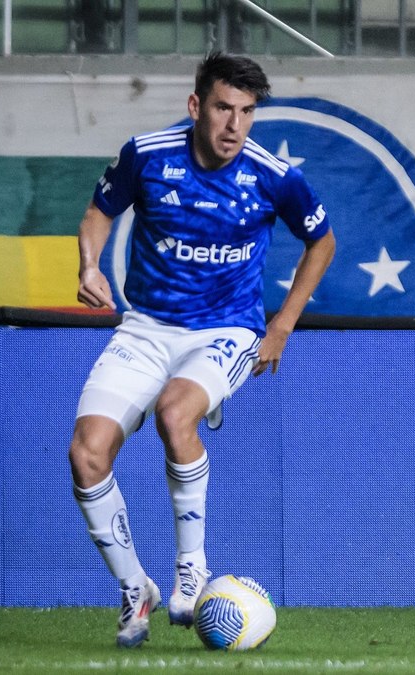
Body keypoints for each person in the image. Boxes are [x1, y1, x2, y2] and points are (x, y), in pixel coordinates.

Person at [68, 52, 335, 648]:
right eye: (222, 108)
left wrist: (282, 326)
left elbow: (323, 241)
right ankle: (136, 588)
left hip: (227, 331)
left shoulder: (273, 176)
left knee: (174, 412)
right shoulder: (147, 154)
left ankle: (193, 568)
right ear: (196, 107)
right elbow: (97, 213)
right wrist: (88, 264)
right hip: (145, 328)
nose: (234, 125)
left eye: (245, 112)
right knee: (86, 455)